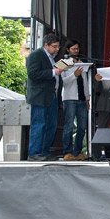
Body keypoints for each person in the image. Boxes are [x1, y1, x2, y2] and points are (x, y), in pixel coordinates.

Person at [26, 33, 62, 161]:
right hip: (39, 96)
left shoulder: (51, 58)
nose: (57, 49)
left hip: (50, 94)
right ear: (46, 45)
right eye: (54, 47)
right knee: (39, 123)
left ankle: (44, 151)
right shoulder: (35, 55)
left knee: (51, 125)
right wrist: (53, 72)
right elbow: (32, 73)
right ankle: (34, 152)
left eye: (58, 47)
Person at [60, 40, 90, 161]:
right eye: (73, 49)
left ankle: (78, 152)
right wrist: (74, 75)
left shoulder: (82, 63)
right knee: (69, 126)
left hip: (82, 99)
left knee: (82, 127)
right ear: (67, 50)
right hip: (70, 98)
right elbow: (63, 81)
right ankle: (67, 151)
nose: (76, 51)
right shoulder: (63, 63)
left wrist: (87, 98)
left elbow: (86, 83)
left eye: (77, 49)